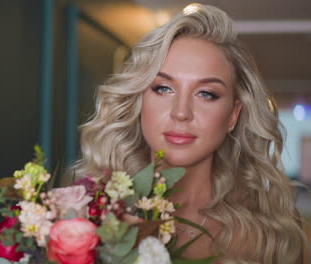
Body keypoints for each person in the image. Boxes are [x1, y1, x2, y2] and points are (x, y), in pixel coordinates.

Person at [71, 4, 308, 263]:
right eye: (163, 89)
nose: (181, 112)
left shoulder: (273, 230)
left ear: (232, 115)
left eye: (206, 94)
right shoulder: (84, 213)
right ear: (139, 101)